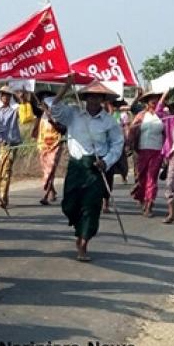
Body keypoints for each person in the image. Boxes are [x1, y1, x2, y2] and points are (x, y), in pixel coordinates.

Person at [50, 77, 124, 262]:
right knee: (70, 205)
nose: (94, 100)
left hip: (95, 168)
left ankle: (83, 242)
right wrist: (66, 86)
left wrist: (106, 162)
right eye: (90, 96)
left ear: (103, 99)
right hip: (76, 166)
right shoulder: (73, 113)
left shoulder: (109, 121)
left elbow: (117, 144)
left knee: (91, 207)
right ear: (85, 97)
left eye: (98, 96)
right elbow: (54, 109)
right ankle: (79, 228)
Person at [128, 89, 169, 217]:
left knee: (152, 177)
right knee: (141, 177)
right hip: (141, 150)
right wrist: (129, 144)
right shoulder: (141, 115)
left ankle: (149, 203)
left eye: (156, 99)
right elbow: (132, 131)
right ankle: (142, 198)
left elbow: (169, 134)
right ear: (147, 102)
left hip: (157, 151)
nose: (154, 101)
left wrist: (167, 152)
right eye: (151, 99)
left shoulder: (164, 116)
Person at [33, 91, 65, 206]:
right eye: (43, 101)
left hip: (55, 145)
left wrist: (51, 118)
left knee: (51, 169)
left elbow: (62, 129)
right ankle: (52, 191)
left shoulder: (58, 114)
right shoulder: (41, 115)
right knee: (46, 171)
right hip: (43, 146)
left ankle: (46, 195)